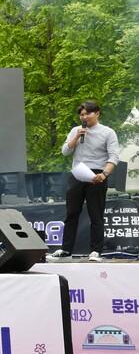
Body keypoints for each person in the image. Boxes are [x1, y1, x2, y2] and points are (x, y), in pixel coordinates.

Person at [47, 100, 119, 262]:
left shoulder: (108, 132)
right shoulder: (76, 130)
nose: (84, 117)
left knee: (96, 214)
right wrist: (76, 137)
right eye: (81, 114)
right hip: (78, 174)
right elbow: (65, 151)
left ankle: (96, 251)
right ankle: (66, 249)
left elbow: (114, 156)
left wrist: (105, 173)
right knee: (71, 213)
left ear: (97, 113)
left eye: (87, 113)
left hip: (97, 175)